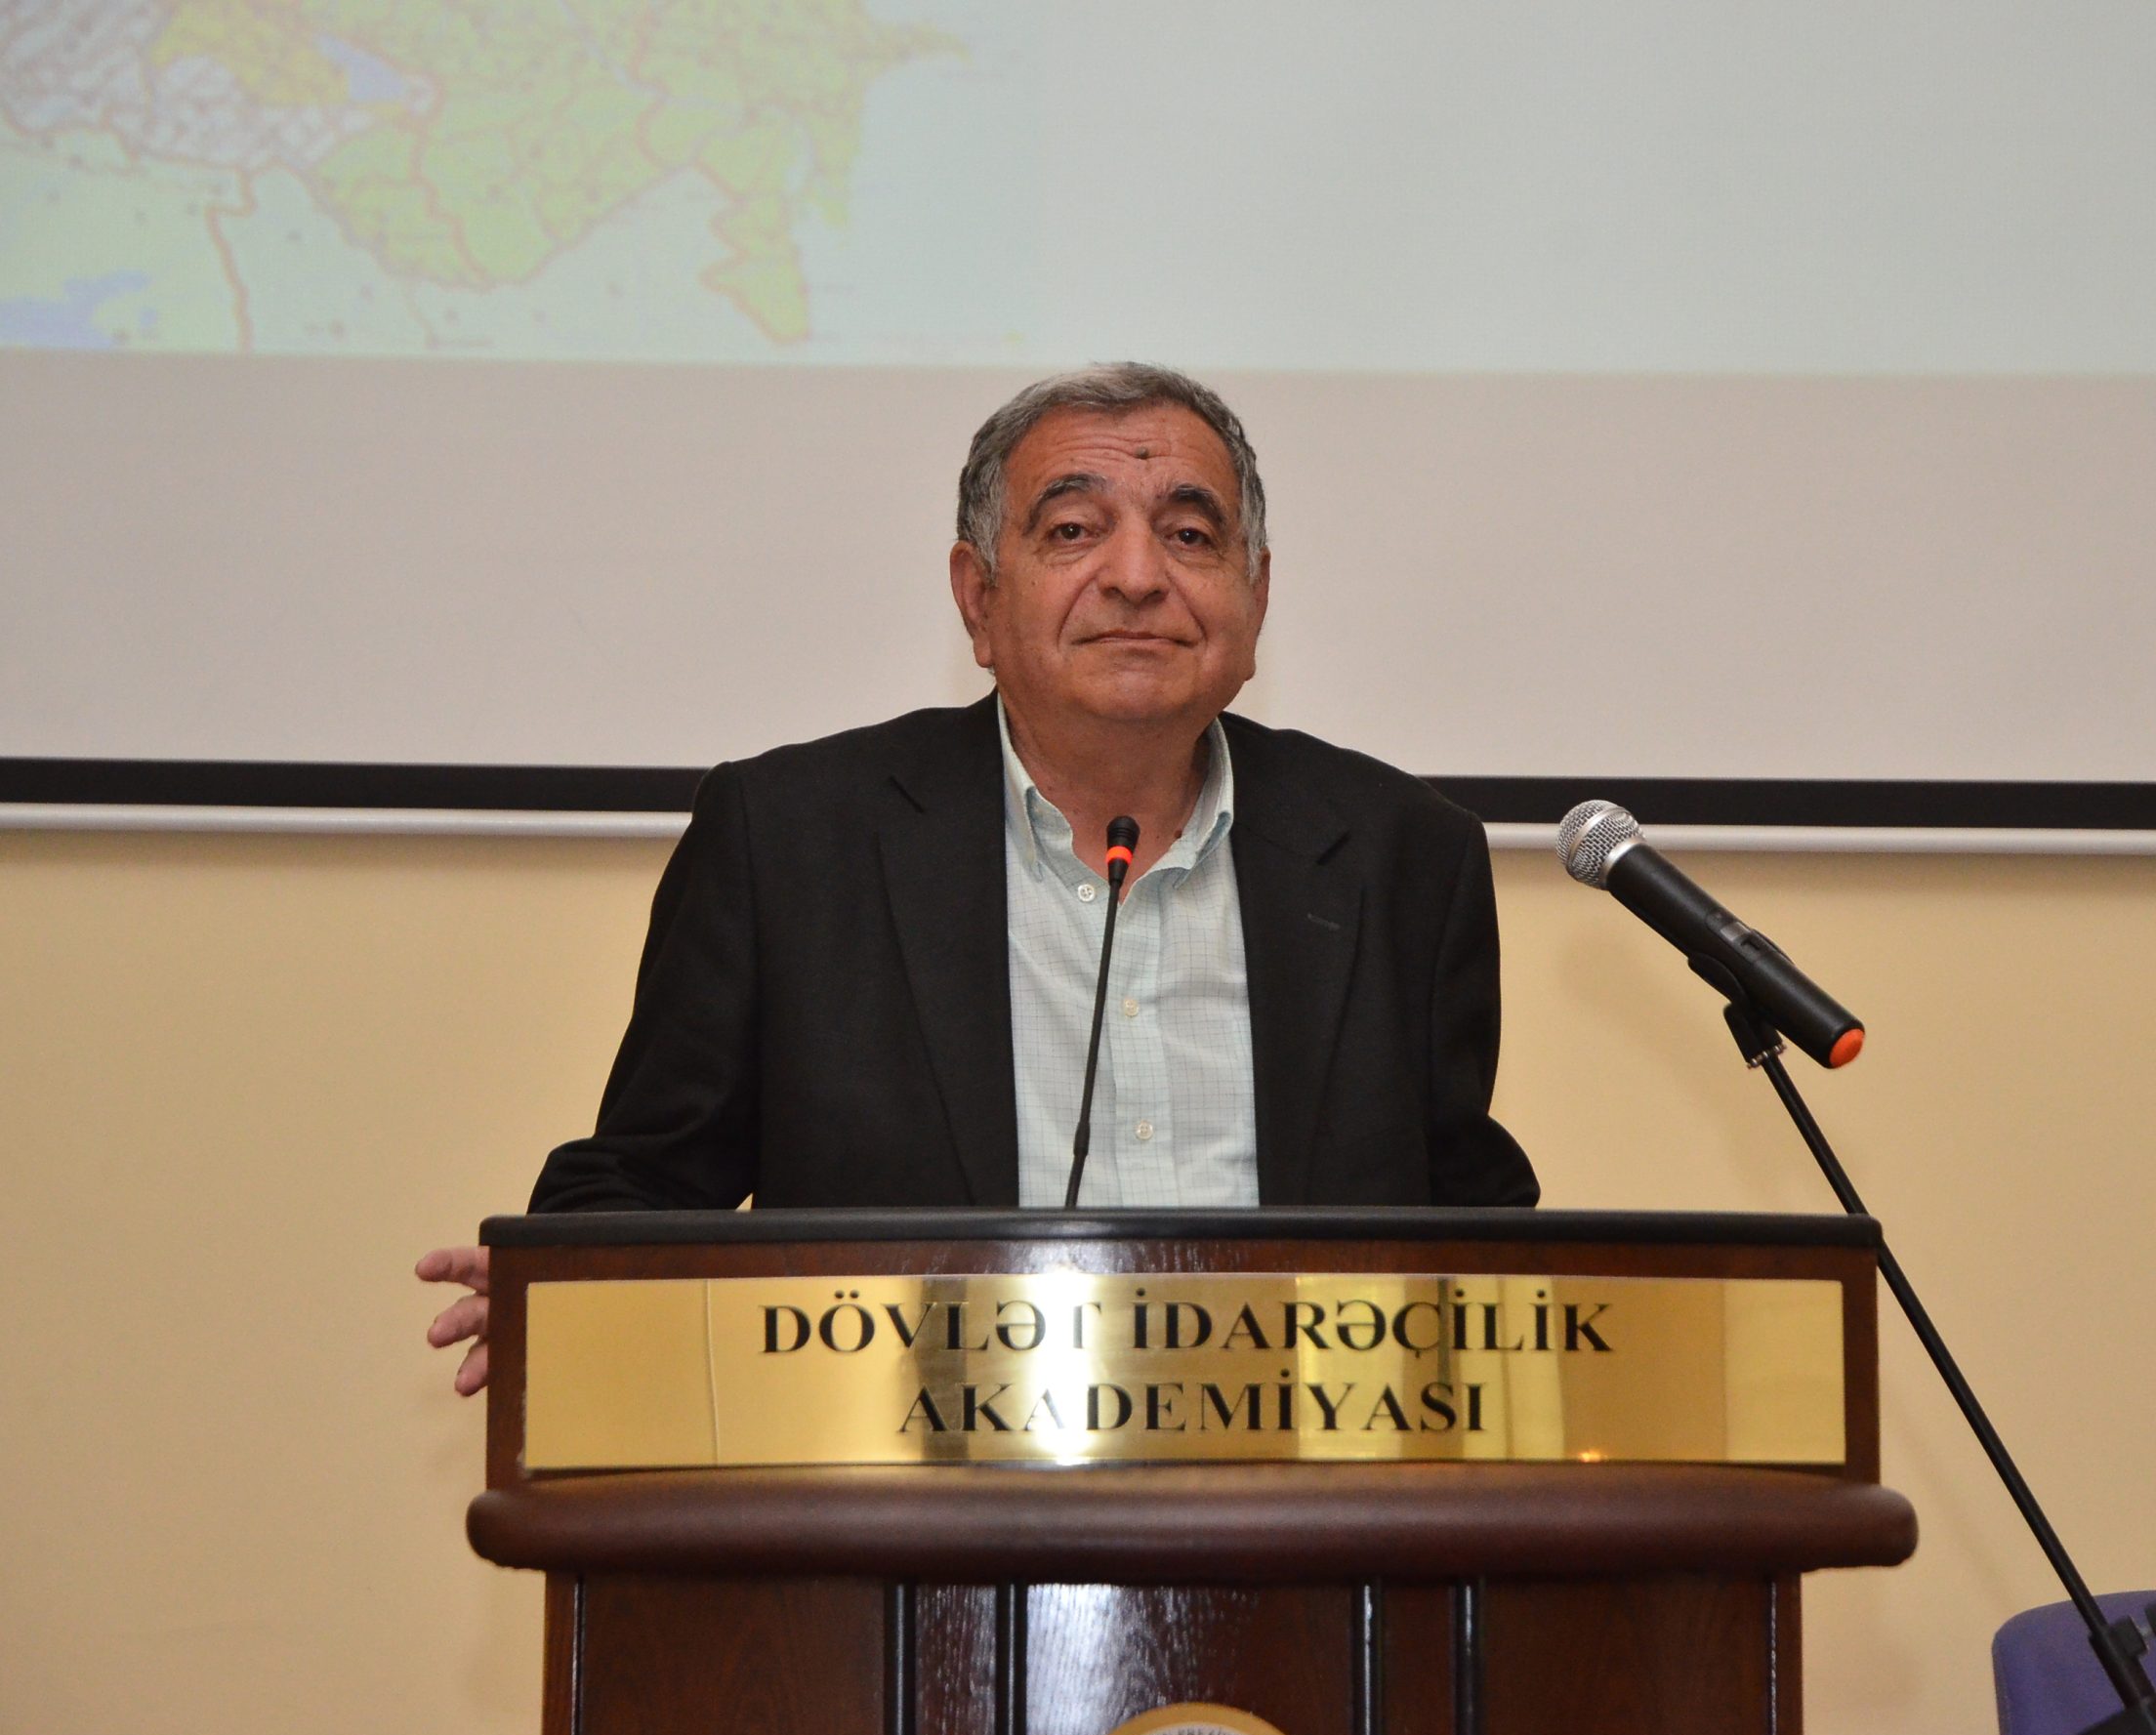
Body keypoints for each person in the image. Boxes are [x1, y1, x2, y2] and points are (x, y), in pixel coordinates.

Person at [419, 363, 1536, 1393]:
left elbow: (1479, 1236)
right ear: (977, 598)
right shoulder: (792, 841)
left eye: (1190, 534)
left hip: (1310, 1487)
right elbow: (645, 1183)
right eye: (1073, 530)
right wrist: (568, 1288)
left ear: (1254, 601)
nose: (1136, 576)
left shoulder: (1400, 854)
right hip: (903, 1496)